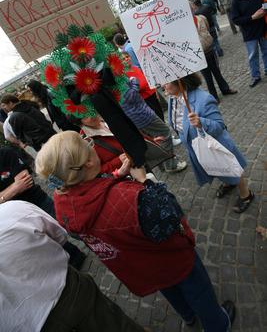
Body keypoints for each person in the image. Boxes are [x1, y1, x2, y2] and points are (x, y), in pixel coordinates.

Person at [35, 130, 235, 332]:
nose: (91, 144)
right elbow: (170, 216)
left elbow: (90, 205)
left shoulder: (62, 202)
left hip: (139, 264)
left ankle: (188, 317)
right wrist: (144, 181)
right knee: (198, 291)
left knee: (167, 287)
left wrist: (116, 176)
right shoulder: (130, 198)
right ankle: (218, 324)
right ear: (87, 163)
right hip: (171, 257)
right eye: (87, 143)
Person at [0, 200, 146, 332]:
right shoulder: (12, 211)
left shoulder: (11, 211)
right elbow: (60, 236)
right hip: (68, 291)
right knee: (117, 325)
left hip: (31, 322)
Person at [165, 73, 254, 214]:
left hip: (214, 143)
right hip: (195, 145)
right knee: (214, 166)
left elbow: (219, 126)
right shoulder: (172, 98)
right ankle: (228, 182)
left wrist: (201, 122)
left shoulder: (204, 99)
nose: (163, 85)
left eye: (167, 81)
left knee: (231, 167)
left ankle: (246, 194)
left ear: (180, 83)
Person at [0, 146, 86, 269]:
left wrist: (3, 196)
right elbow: (18, 186)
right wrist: (14, 188)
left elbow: (25, 181)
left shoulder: (5, 153)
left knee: (72, 226)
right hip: (15, 218)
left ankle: (97, 242)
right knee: (46, 240)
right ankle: (74, 258)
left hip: (39, 202)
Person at [121, 77, 187, 173]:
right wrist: (134, 81)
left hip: (138, 115)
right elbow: (130, 95)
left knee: (155, 139)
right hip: (142, 116)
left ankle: (162, 165)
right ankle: (170, 165)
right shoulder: (116, 80)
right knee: (165, 134)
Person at [231, 0, 267, 87]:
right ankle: (255, 76)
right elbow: (236, 20)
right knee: (253, 55)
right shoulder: (236, 0)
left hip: (264, 28)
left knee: (266, 51)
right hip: (249, 33)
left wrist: (265, 9)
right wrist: (252, 17)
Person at [193, 12, 238, 102]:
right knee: (208, 77)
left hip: (209, 49)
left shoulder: (201, 18)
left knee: (217, 71)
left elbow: (207, 29)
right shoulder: (185, 25)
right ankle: (214, 96)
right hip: (199, 54)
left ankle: (225, 89)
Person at [122, 52, 165, 120]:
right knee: (156, 118)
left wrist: (155, 91)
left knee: (161, 115)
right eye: (123, 59)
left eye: (127, 57)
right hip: (145, 100)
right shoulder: (125, 75)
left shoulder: (136, 68)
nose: (126, 59)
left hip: (153, 95)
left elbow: (147, 80)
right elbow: (133, 90)